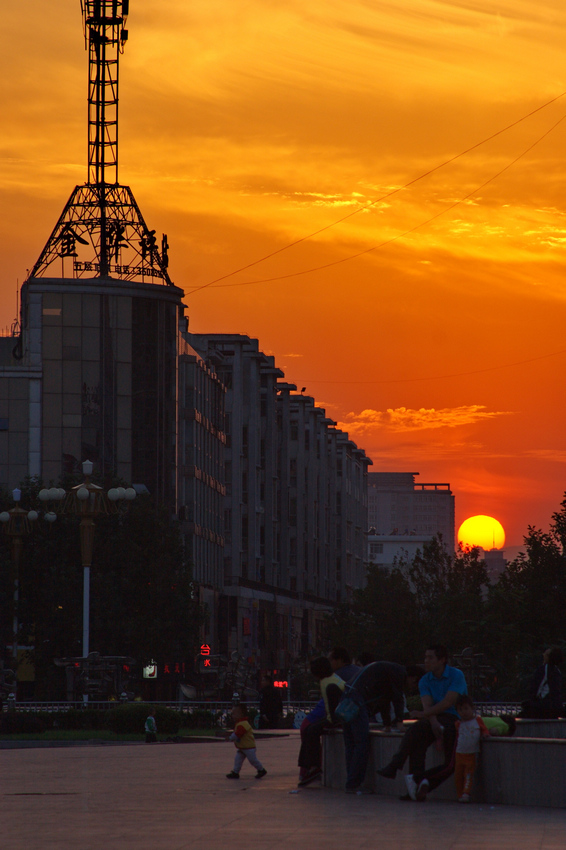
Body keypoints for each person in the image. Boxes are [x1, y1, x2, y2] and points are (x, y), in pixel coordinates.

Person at [377, 645, 467, 797]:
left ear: (442, 660)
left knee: (450, 764)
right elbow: (428, 705)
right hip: (435, 718)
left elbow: (448, 703)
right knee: (417, 737)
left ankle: (414, 777)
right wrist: (432, 722)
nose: (426, 661)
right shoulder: (425, 680)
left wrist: (423, 713)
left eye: (431, 657)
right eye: (425, 657)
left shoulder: (456, 675)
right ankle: (410, 786)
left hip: (454, 719)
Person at [339, 661, 408, 794]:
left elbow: (385, 699)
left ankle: (351, 783)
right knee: (361, 743)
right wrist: (399, 722)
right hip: (357, 699)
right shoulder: (399, 672)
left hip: (347, 695)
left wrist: (387, 724)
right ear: (412, 677)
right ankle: (354, 784)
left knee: (351, 744)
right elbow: (397, 697)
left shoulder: (385, 669)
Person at [406, 694, 490, 803]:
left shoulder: (477, 720)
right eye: (460, 710)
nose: (464, 712)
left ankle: (465, 793)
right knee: (458, 776)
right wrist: (439, 741)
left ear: (472, 709)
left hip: (471, 755)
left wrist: (486, 734)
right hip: (459, 754)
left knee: (468, 775)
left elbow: (484, 729)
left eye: (466, 709)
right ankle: (459, 794)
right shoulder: (458, 724)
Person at [297, 657, 345, 786]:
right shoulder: (333, 678)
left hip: (335, 719)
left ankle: (313, 766)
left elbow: (331, 706)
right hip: (335, 716)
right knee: (309, 730)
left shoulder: (326, 683)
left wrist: (332, 722)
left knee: (311, 730)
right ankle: (308, 766)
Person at [520, 647, 563, 719]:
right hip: (556, 706)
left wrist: (533, 701)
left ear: (549, 657)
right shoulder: (557, 670)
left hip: (544, 706)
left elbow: (536, 688)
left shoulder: (543, 669)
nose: (543, 655)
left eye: (545, 654)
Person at [225, 704, 267, 779]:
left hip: (248, 747)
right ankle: (235, 772)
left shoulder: (243, 724)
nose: (232, 715)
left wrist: (231, 738)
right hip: (243, 747)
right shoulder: (240, 723)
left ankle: (261, 769)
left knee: (252, 760)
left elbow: (238, 734)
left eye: (234, 713)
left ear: (241, 714)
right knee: (238, 760)